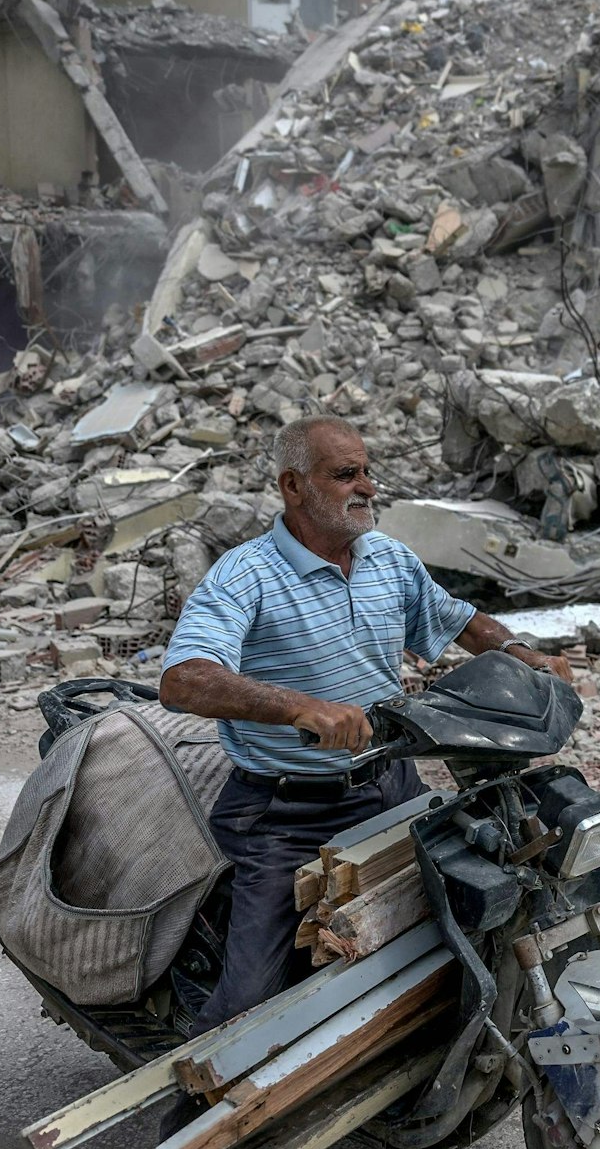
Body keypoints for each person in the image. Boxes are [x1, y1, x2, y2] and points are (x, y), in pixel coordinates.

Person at [160, 414, 573, 1052]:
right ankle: (195, 1116)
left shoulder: (388, 559)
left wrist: (528, 654)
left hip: (391, 787)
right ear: (293, 487)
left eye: (367, 471)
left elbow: (461, 621)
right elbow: (183, 680)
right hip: (284, 813)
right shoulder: (246, 576)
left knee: (474, 915)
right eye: (345, 474)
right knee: (251, 1006)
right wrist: (299, 707)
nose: (367, 488)